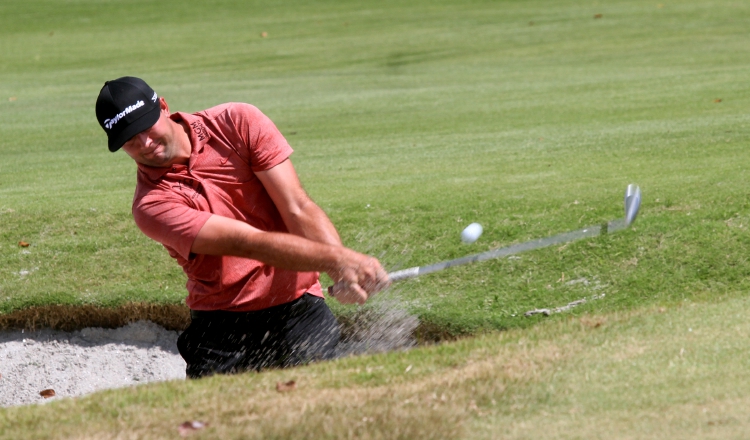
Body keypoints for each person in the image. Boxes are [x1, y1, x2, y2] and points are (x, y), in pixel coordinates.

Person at [95, 76, 390, 378]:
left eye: (145, 127)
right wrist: (338, 259)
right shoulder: (152, 205)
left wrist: (341, 269)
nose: (144, 143)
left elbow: (297, 207)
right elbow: (247, 243)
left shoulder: (236, 122)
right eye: (129, 140)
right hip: (223, 328)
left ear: (164, 107)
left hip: (300, 310)